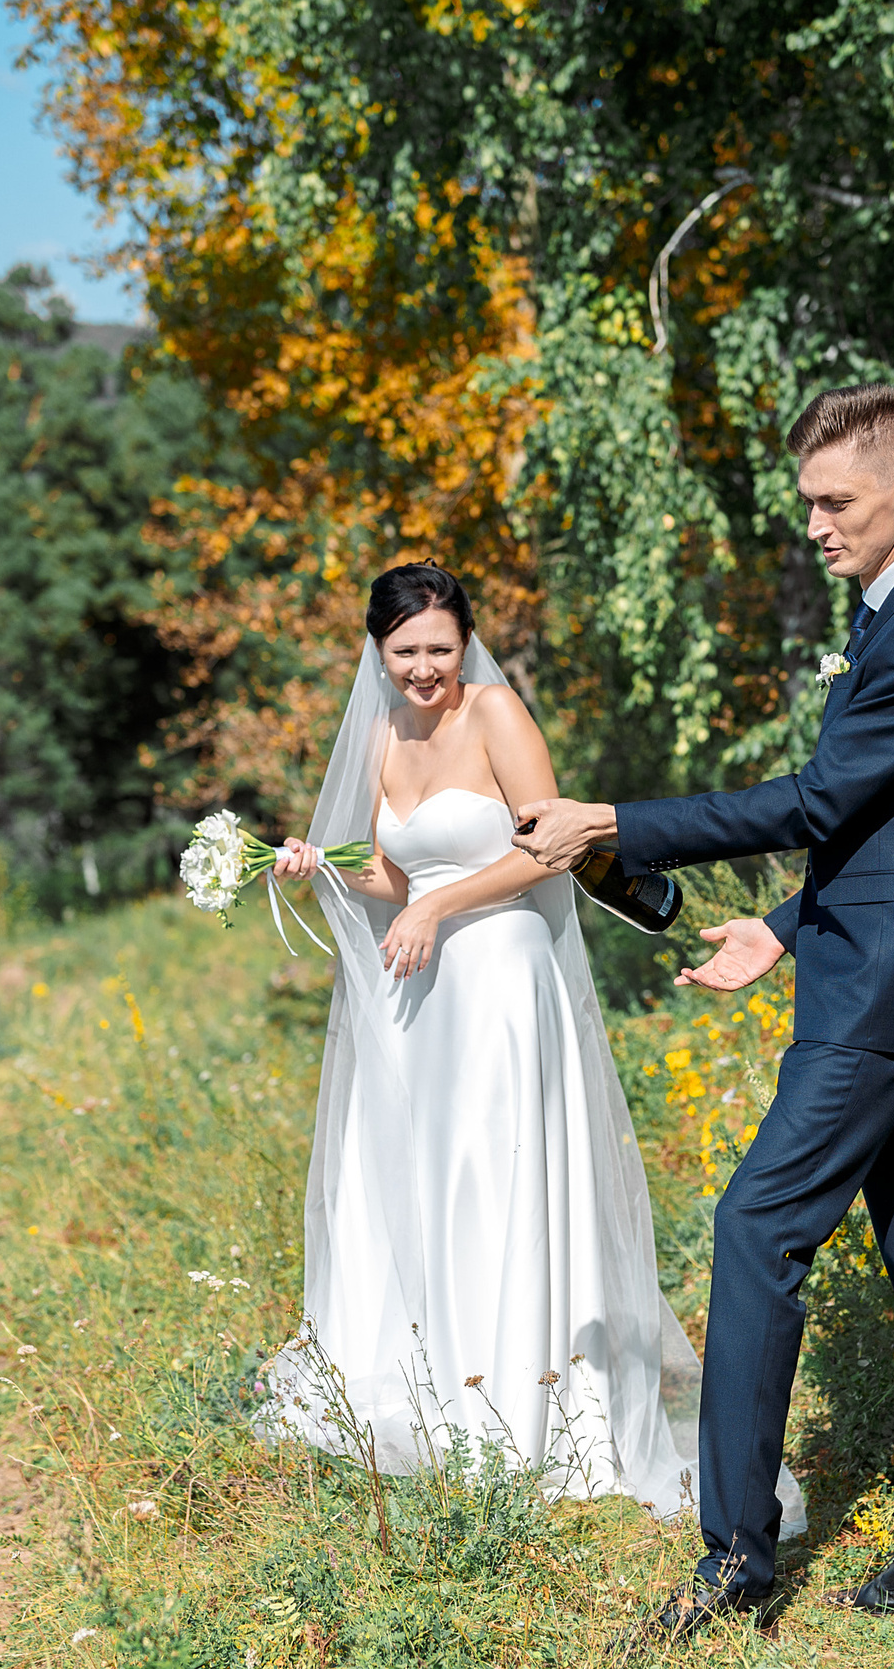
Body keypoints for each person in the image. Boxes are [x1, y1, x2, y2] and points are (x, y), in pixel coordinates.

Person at [516, 384, 894, 1641]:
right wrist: (783, 925)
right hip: (873, 961)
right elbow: (892, 818)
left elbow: (819, 798)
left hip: (882, 989)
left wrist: (616, 823)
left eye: (834, 501)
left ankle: (738, 1559)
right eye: (805, 502)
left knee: (755, 1231)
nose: (813, 523)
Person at [261, 563, 807, 1533]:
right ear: (376, 652)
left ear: (465, 641)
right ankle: (451, 1396)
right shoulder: (385, 731)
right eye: (405, 652)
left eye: (440, 647)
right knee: (435, 1182)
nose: (425, 668)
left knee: (500, 1174)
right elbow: (393, 865)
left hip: (504, 979)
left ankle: (534, 1411)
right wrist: (325, 860)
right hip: (424, 989)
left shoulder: (495, 716)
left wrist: (439, 900)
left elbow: (545, 846)